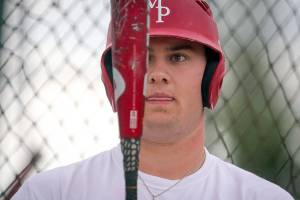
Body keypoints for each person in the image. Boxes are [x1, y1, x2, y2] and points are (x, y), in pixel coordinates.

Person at [12, 0, 294, 199]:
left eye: (178, 57)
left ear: (210, 77)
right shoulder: (52, 193)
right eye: (142, 57)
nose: (157, 74)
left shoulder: (260, 197)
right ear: (113, 79)